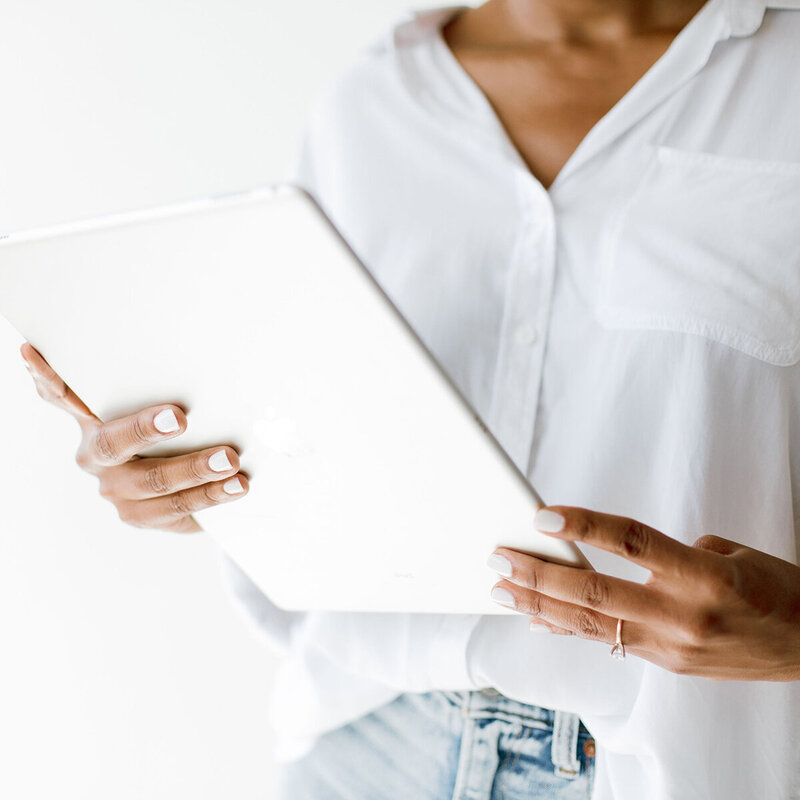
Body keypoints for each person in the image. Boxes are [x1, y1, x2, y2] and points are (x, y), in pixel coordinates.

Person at [20, 0, 800, 797]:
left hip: (667, 759)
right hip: (366, 742)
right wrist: (194, 478)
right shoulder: (369, 105)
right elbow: (312, 428)